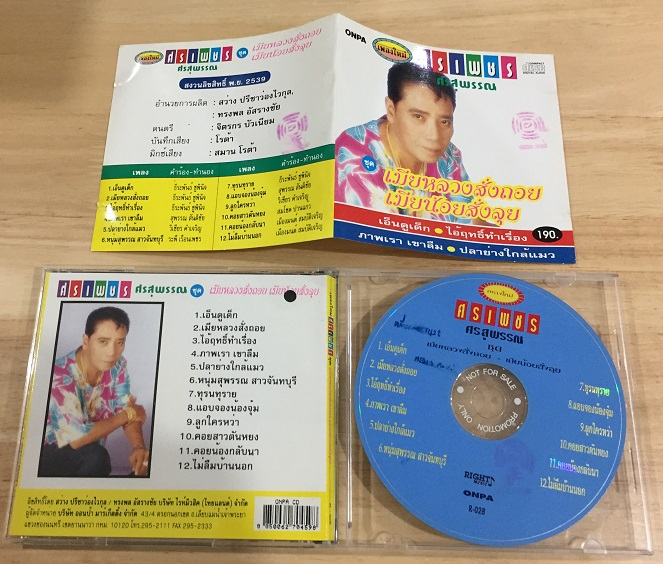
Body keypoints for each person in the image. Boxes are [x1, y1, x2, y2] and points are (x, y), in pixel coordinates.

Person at [335, 61, 472, 222]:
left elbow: (472, 223)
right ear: (391, 111)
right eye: (418, 117)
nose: (434, 136)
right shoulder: (354, 151)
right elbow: (377, 232)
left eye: (444, 122)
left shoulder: (448, 156)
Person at [39, 306, 150, 477]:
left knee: (149, 459)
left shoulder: (118, 365)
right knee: (96, 457)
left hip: (87, 451)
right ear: (86, 341)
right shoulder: (60, 374)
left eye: (119, 342)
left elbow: (126, 408)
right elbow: (75, 439)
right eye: (103, 341)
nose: (112, 352)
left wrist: (138, 447)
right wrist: (128, 414)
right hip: (48, 454)